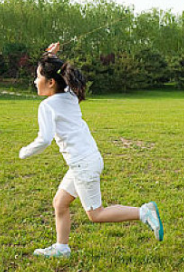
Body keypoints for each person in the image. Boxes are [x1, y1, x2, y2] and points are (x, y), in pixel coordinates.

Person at [19, 42, 163, 258]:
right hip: (87, 160)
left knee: (96, 214)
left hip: (83, 165)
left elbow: (45, 139)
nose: (34, 80)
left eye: (38, 77)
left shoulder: (47, 106)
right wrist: (49, 56)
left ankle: (143, 212)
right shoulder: (68, 95)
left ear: (50, 82)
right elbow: (60, 75)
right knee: (60, 203)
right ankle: (62, 248)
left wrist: (25, 152)